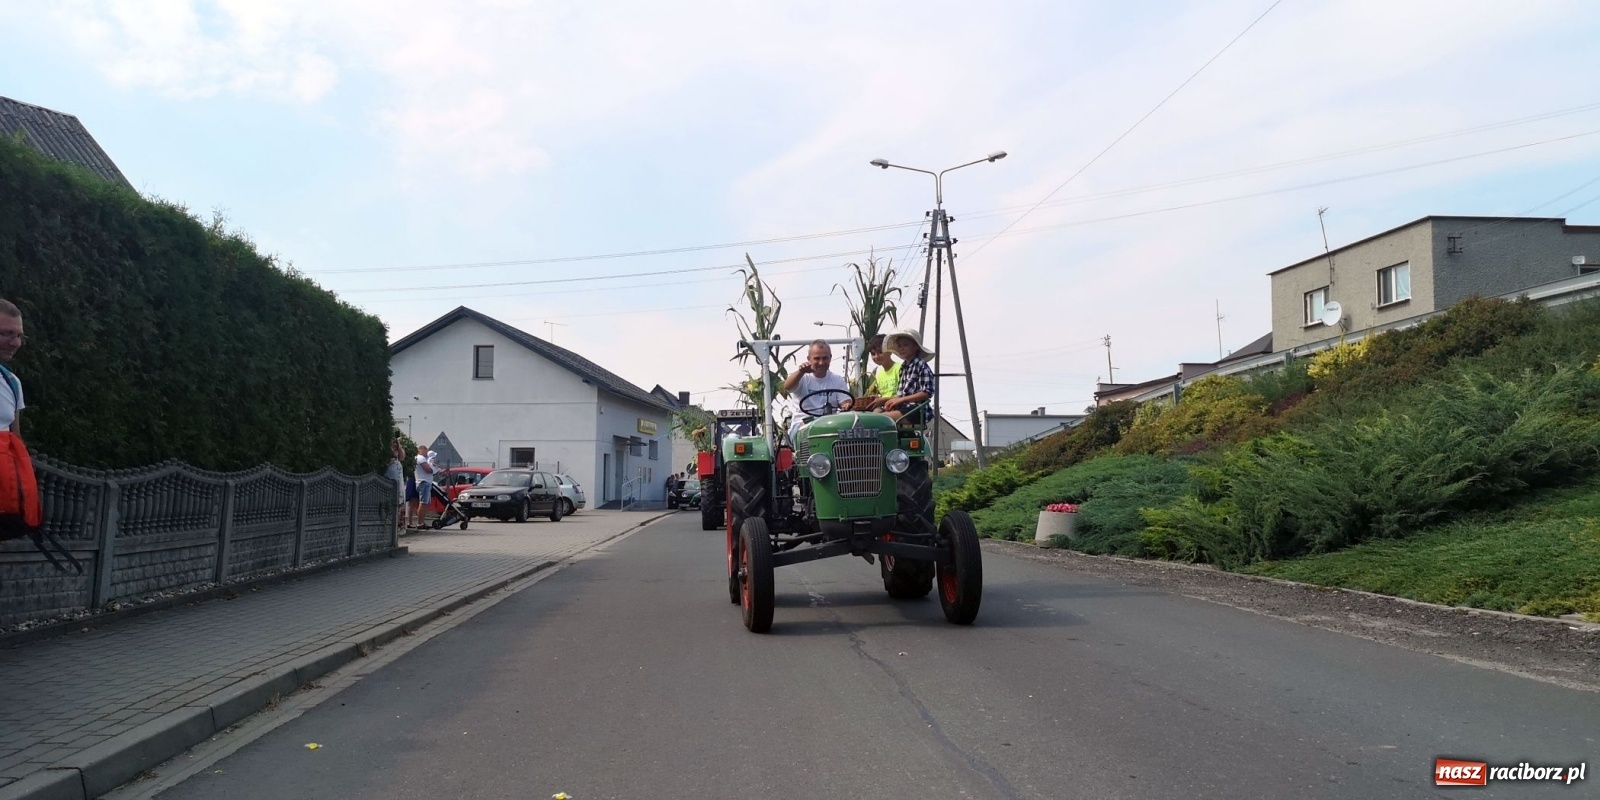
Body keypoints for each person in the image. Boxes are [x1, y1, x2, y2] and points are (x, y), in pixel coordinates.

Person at [881, 328, 936, 422]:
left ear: (916, 346)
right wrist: (892, 401)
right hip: (902, 407)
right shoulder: (903, 367)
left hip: (916, 409)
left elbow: (927, 392)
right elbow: (901, 394)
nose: (901, 348)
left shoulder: (921, 365)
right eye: (899, 346)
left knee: (881, 419)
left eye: (905, 345)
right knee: (874, 413)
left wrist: (901, 400)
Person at [856, 333, 900, 412]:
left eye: (880, 352)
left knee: (876, 415)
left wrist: (883, 400)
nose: (876, 356)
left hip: (898, 406)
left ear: (890, 351)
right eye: (873, 354)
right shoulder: (878, 372)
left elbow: (904, 396)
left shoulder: (899, 368)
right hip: (885, 407)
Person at [0, 300, 25, 434]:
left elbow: (15, 441)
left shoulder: (11, 382)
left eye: (19, 336)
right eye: (6, 333)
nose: (16, 343)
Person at [413, 444, 438, 527]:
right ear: (421, 449)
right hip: (423, 482)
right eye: (426, 449)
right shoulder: (420, 458)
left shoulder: (424, 459)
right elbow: (428, 470)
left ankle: (422, 521)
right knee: (423, 503)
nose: (427, 451)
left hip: (426, 482)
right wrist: (434, 468)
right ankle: (420, 523)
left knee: (426, 503)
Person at [385, 439, 406, 530]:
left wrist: (399, 445)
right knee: (393, 496)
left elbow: (402, 457)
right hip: (391, 468)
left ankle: (398, 525)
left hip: (397, 468)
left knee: (400, 496)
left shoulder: (397, 458)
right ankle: (391, 524)